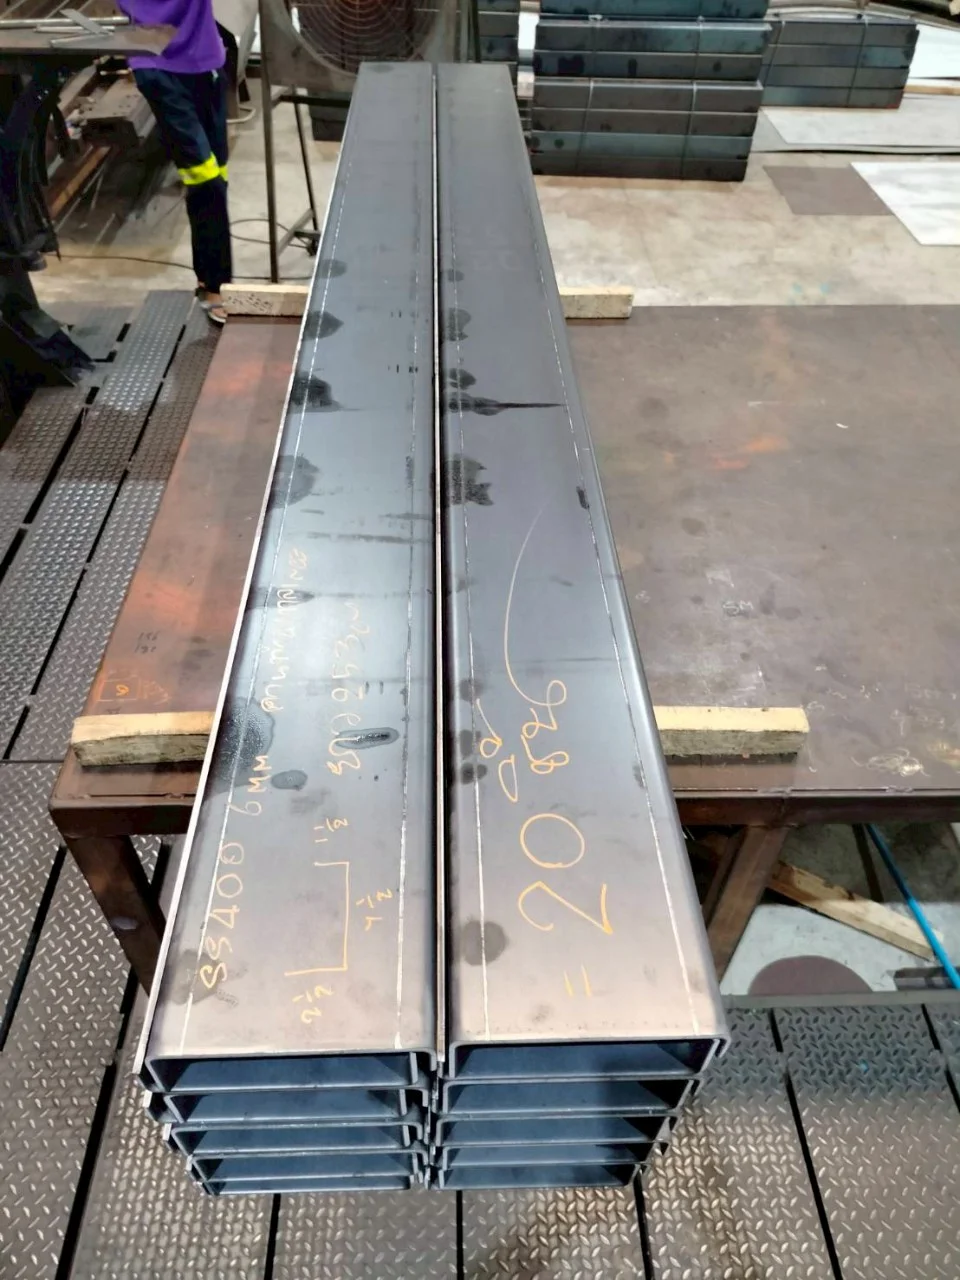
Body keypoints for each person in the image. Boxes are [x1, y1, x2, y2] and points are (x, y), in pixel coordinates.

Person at [118, 0, 232, 323]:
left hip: (205, 59)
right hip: (155, 62)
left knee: (218, 177)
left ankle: (207, 277)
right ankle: (216, 284)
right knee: (205, 179)